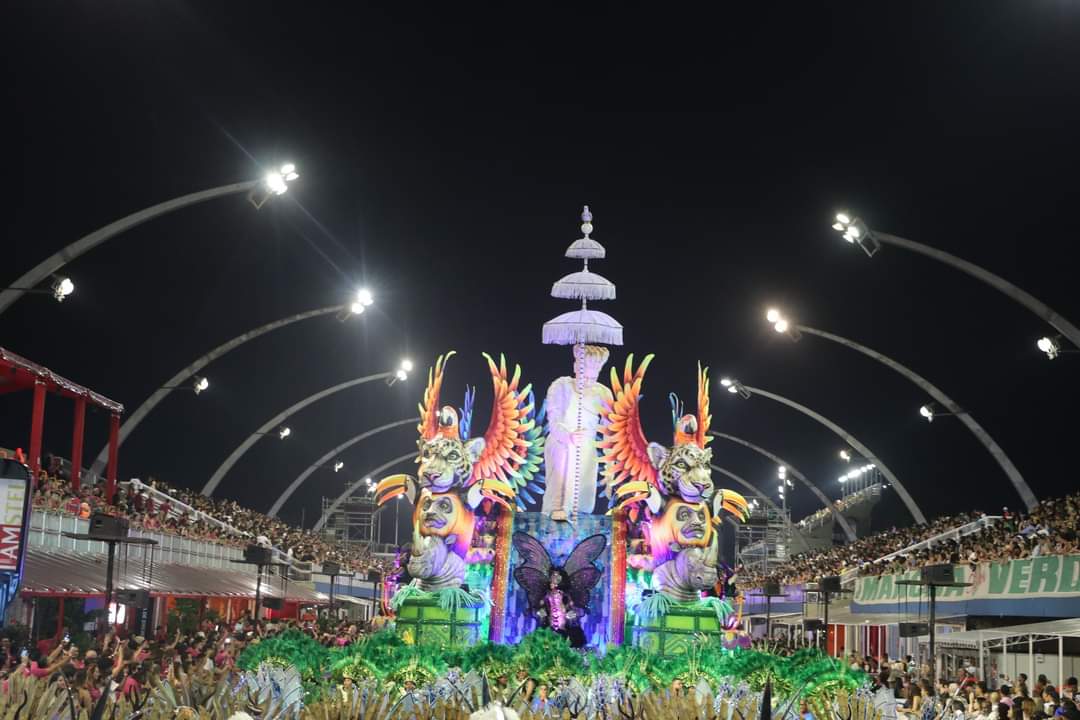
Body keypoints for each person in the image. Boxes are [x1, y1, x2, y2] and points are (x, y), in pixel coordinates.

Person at [541, 344, 612, 520]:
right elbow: (554, 420)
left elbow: (609, 432)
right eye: (584, 376)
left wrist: (610, 468)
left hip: (586, 446)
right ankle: (557, 508)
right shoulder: (561, 386)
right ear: (575, 367)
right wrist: (568, 436)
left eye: (593, 378)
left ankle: (579, 512)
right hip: (562, 441)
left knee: (582, 495)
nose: (588, 382)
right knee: (563, 459)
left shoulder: (603, 392)